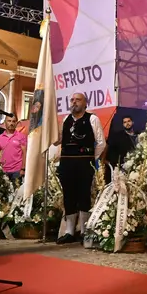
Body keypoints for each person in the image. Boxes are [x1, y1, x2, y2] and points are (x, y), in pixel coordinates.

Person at [56, 92, 105, 245]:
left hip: (84, 164)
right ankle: (70, 232)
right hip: (67, 164)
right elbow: (59, 141)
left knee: (83, 195)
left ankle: (84, 231)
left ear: (85, 103)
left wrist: (90, 159)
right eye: (72, 100)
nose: (74, 102)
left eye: (78, 100)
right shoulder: (65, 120)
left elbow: (101, 143)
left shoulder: (92, 118)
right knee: (68, 196)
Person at [104, 115, 138, 182]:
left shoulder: (138, 134)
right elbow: (109, 147)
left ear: (132, 122)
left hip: (136, 166)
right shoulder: (118, 136)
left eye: (129, 121)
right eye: (125, 122)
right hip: (122, 167)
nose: (127, 123)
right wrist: (105, 160)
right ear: (123, 124)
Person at [0, 114, 27, 183]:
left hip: (17, 171)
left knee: (17, 193)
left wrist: (23, 169)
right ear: (5, 122)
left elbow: (25, 153)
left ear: (16, 123)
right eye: (9, 121)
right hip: (3, 171)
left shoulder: (21, 136)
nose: (11, 123)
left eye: (13, 121)